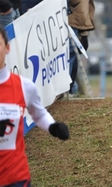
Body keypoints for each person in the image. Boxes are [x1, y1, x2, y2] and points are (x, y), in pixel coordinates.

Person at [0, 25, 70, 187]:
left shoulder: (24, 86)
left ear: (8, 48)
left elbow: (38, 114)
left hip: (15, 178)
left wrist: (53, 127)